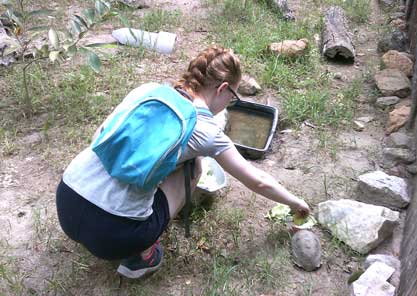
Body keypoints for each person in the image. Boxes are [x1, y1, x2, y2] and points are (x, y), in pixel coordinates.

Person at [56, 46, 310, 279]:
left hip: (66, 200)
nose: (228, 105)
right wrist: (295, 202)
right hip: (115, 237)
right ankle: (141, 256)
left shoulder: (148, 91)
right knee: (194, 166)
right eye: (232, 98)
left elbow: (99, 137)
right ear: (222, 89)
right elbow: (258, 180)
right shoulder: (207, 131)